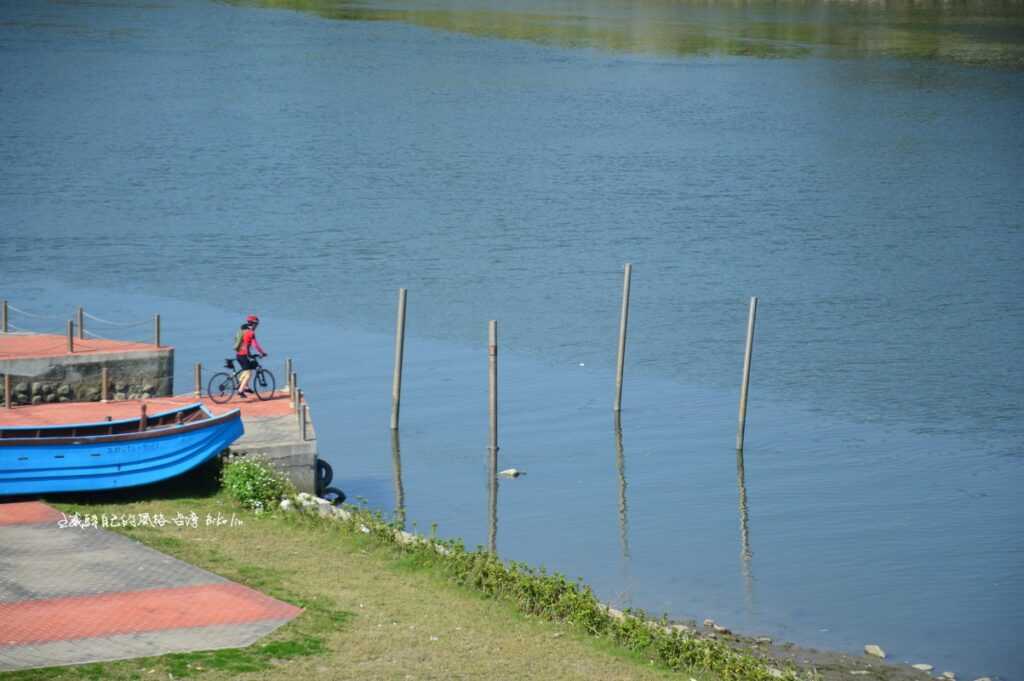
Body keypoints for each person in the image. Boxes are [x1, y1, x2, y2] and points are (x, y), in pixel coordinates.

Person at [234, 314, 267, 397]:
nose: (257, 326)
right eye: (256, 324)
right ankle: (240, 391)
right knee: (248, 373)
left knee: (247, 370)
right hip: (244, 355)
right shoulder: (251, 333)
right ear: (253, 324)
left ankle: (244, 386)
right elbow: (255, 345)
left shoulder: (243, 330)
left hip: (239, 355)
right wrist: (262, 353)